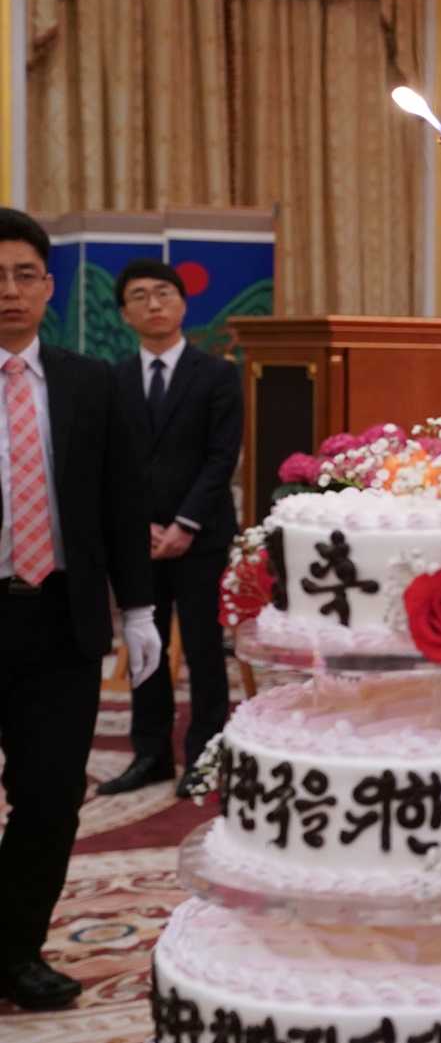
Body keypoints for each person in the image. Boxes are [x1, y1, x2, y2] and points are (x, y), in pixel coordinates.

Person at [0, 209, 159, 1011]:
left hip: (59, 621)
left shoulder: (89, 381)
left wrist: (138, 610)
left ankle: (15, 949)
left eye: (24, 274)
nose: (8, 291)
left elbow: (120, 505)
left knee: (51, 792)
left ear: (49, 286)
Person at [97, 259, 242, 799]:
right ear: (125, 313)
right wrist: (141, 527)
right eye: (139, 296)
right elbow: (109, 461)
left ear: (182, 303)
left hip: (201, 538)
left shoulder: (218, 374)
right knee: (145, 648)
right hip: (138, 540)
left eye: (163, 293)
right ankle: (151, 754)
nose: (153, 304)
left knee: (205, 649)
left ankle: (206, 756)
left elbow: (221, 457)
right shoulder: (109, 379)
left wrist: (182, 524)